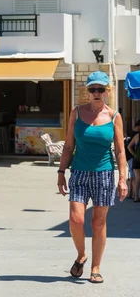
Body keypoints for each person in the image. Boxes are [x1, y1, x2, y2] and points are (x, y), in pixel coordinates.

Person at [57, 71, 127, 284]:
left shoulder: (114, 116)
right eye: (92, 89)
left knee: (98, 222)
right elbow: (69, 145)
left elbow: (120, 151)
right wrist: (61, 173)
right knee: (76, 219)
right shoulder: (76, 113)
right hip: (79, 172)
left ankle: (95, 267)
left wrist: (123, 179)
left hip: (104, 173)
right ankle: (81, 255)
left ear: (107, 91)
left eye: (101, 89)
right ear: (87, 92)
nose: (96, 93)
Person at [126, 121, 140, 202]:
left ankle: (135, 197)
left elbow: (129, 147)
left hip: (136, 159)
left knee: (137, 178)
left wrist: (134, 154)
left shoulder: (137, 136)